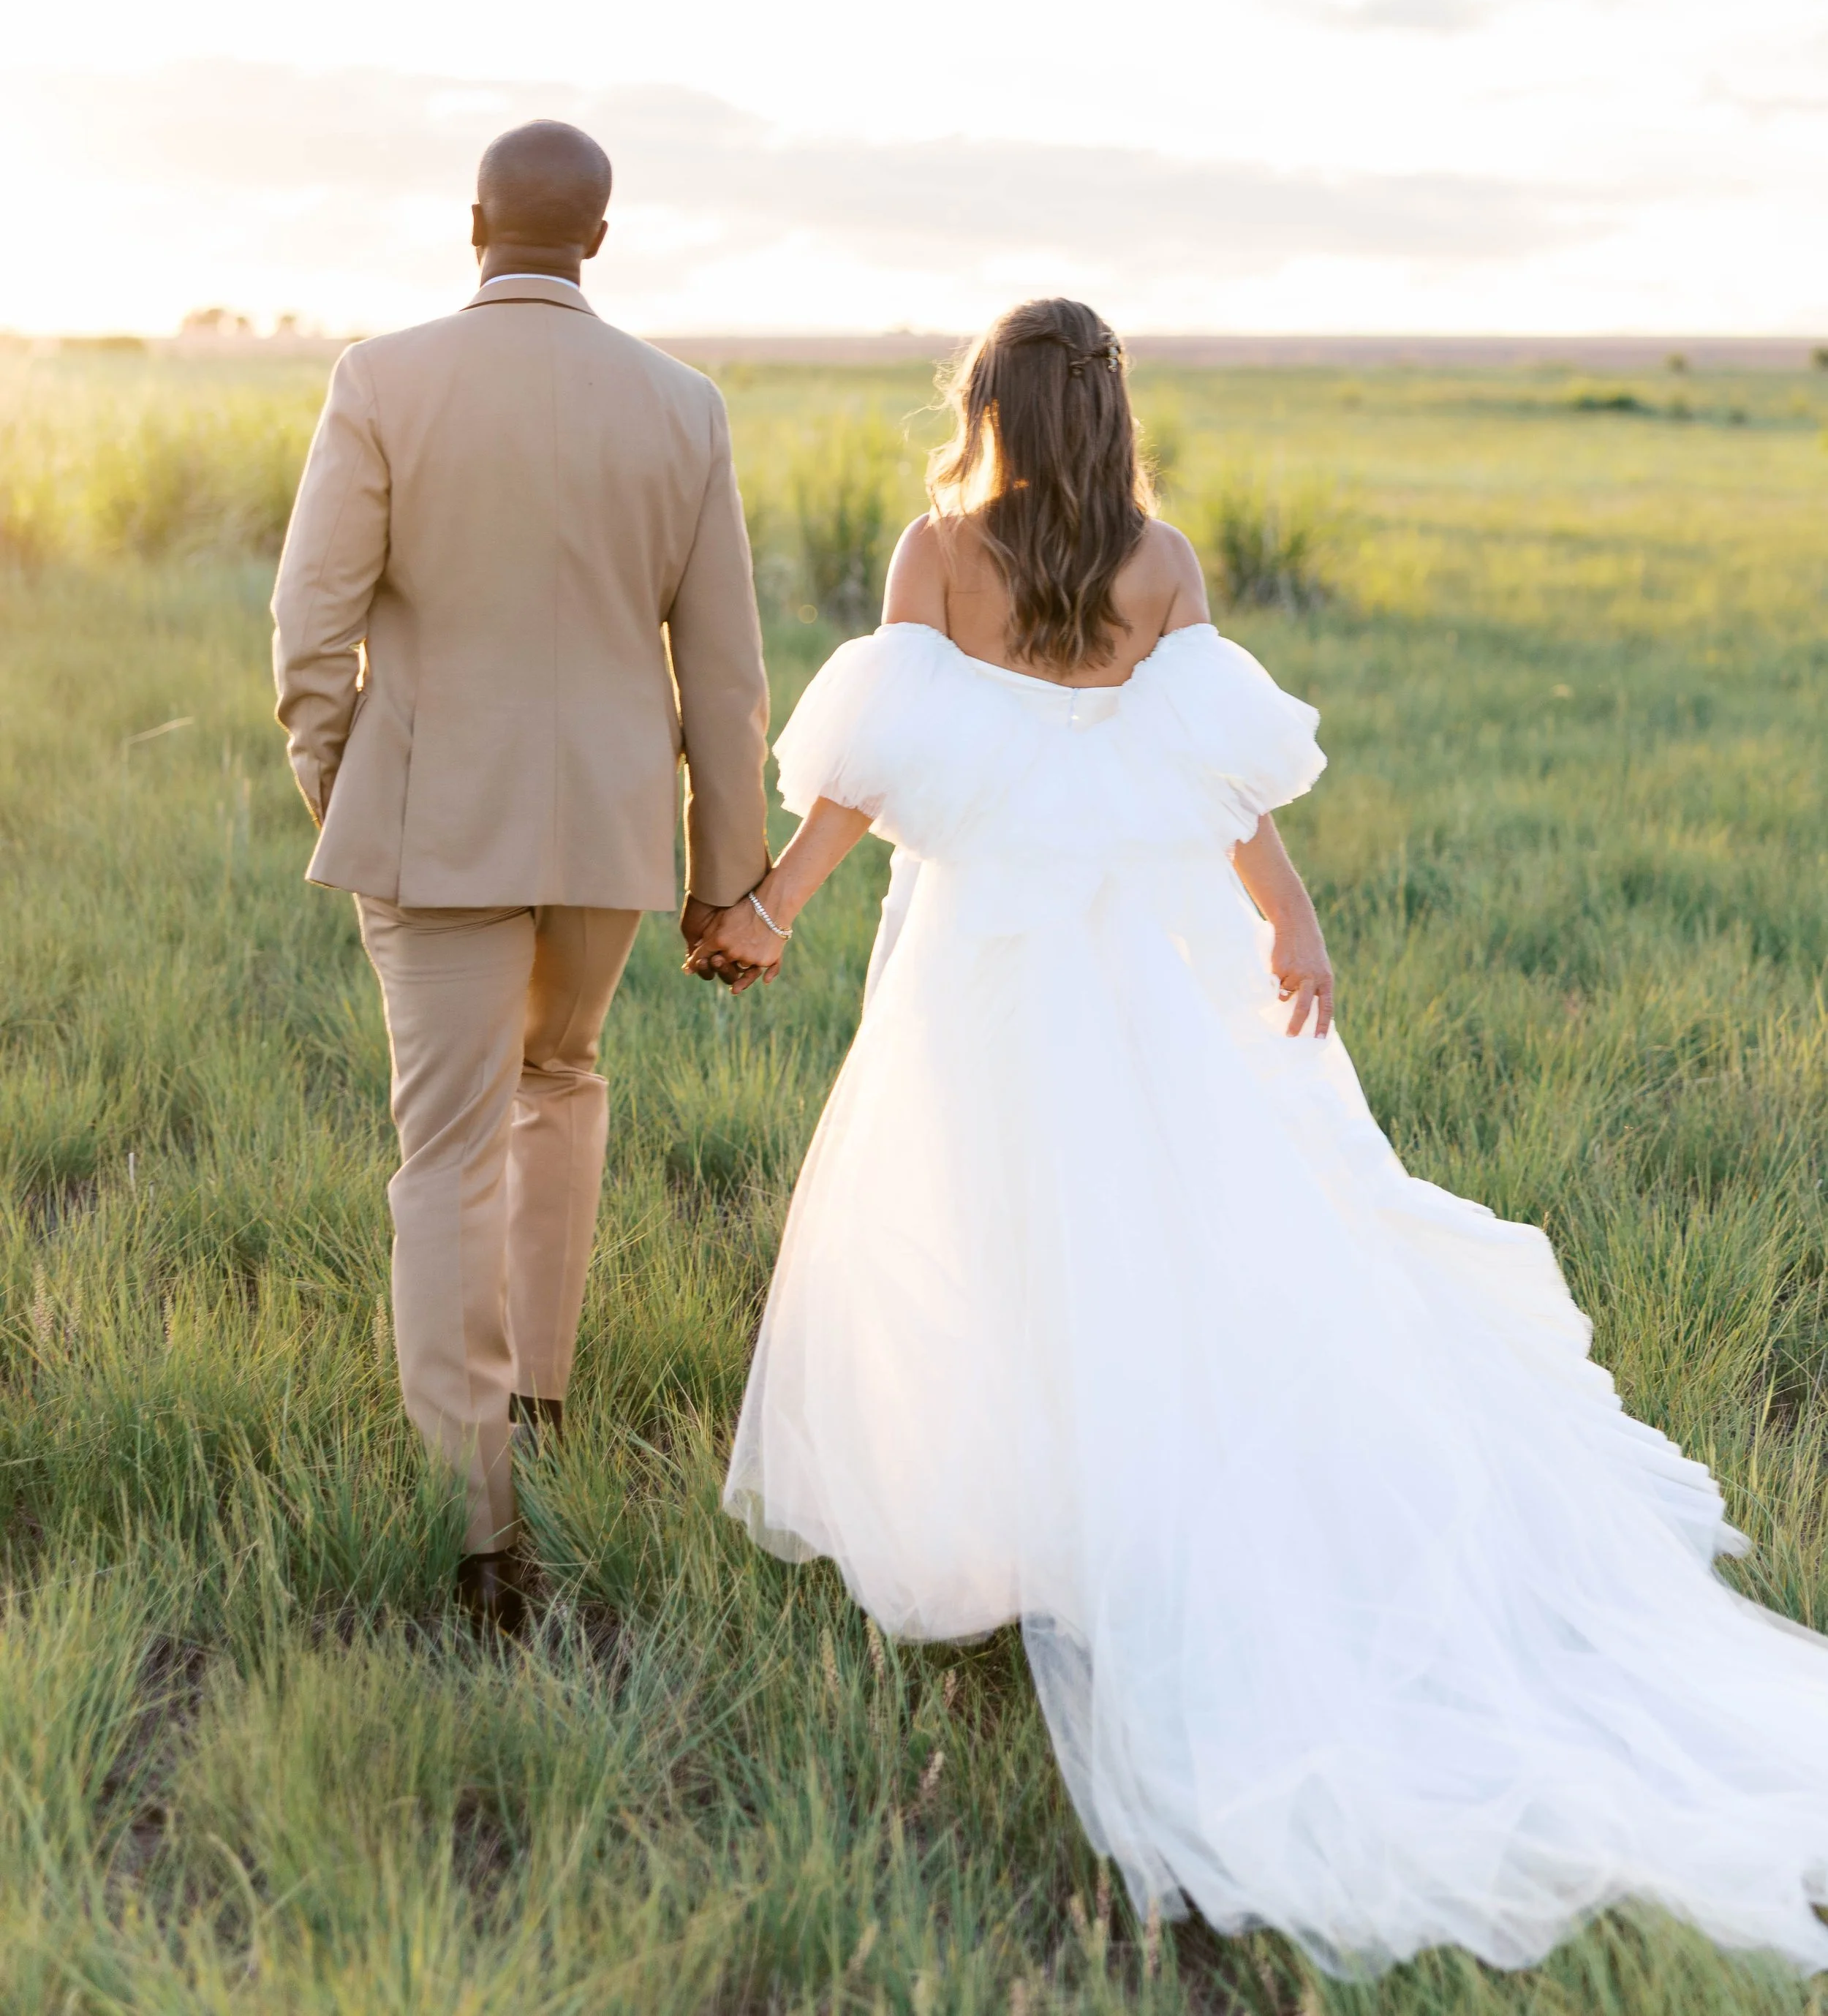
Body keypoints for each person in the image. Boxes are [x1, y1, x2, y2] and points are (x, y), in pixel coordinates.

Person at [694, 295, 1828, 1975]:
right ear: (1109, 417)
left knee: (978, 1230)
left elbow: (861, 785)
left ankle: (1036, 1530)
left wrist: (768, 913)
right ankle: (1094, 1518)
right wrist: (1288, 925)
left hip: (974, 963)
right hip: (1128, 971)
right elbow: (1217, 791)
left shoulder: (935, 557)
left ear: (988, 408)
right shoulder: (1158, 570)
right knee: (1144, 1232)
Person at [272, 120, 769, 1634]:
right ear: (599, 240)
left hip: (432, 825)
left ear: (472, 220)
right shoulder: (682, 408)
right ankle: (534, 1400)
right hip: (610, 834)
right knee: (560, 1074)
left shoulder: (381, 380)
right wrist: (723, 878)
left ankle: (476, 1522)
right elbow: (727, 677)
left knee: (443, 1154)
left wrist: (349, 789)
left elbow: (309, 635)